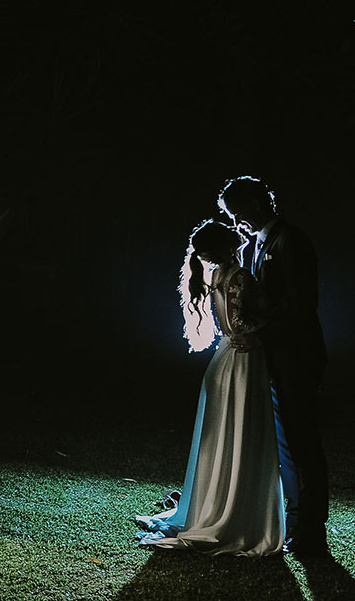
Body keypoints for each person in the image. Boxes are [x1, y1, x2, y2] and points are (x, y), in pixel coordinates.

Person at [135, 219, 284, 556]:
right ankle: (233, 513)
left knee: (222, 439)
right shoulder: (239, 276)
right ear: (230, 246)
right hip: (243, 359)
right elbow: (244, 320)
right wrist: (265, 328)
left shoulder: (217, 276)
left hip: (224, 358)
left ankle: (218, 503)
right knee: (241, 436)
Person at [218, 176, 330, 556]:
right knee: (286, 446)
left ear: (256, 203)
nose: (237, 222)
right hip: (273, 360)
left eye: (239, 213)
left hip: (297, 357)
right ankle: (295, 524)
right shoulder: (257, 245)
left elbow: (301, 304)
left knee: (303, 444)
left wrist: (261, 336)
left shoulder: (290, 241)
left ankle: (311, 532)